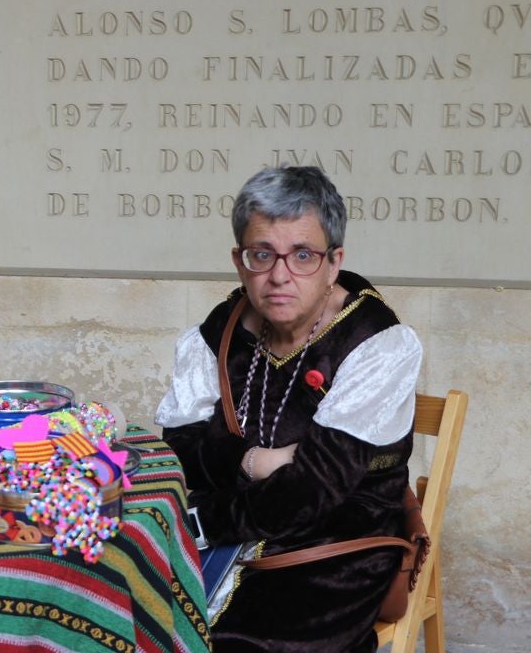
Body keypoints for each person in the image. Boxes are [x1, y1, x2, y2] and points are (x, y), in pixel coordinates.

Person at [155, 166, 422, 652]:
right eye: (263, 255)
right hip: (229, 533)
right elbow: (178, 452)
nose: (279, 276)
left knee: (227, 641)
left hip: (333, 549)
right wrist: (252, 460)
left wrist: (201, 522)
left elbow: (314, 491)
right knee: (118, 605)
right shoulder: (221, 330)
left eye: (303, 255)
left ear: (333, 261)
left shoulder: (379, 344)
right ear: (240, 260)